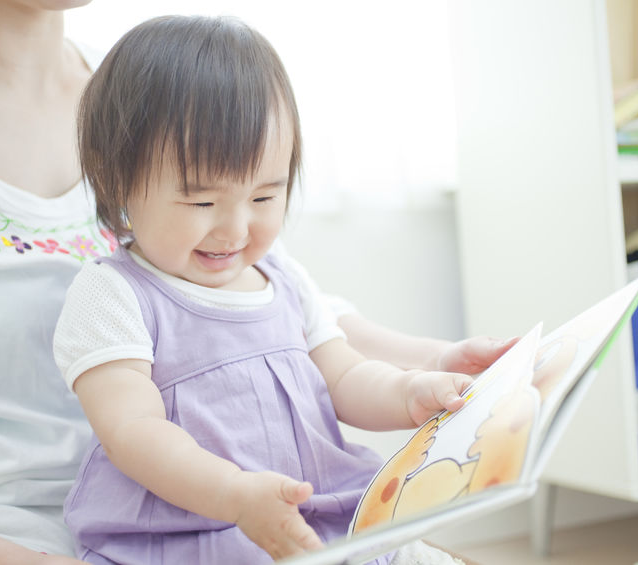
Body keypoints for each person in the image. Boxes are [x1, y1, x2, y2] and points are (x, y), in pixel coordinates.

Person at [0, 1, 513, 564]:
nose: (232, 222)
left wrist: (435, 369)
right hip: (18, 534)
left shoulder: (144, 89)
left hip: (243, 509)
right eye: (199, 201)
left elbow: (280, 313)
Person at [52, 14, 510, 565]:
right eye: (202, 202)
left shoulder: (283, 279)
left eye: (265, 198)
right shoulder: (114, 295)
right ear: (118, 180)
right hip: (192, 531)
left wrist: (408, 392)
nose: (236, 229)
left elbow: (343, 374)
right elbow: (132, 429)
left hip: (317, 513)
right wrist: (234, 496)